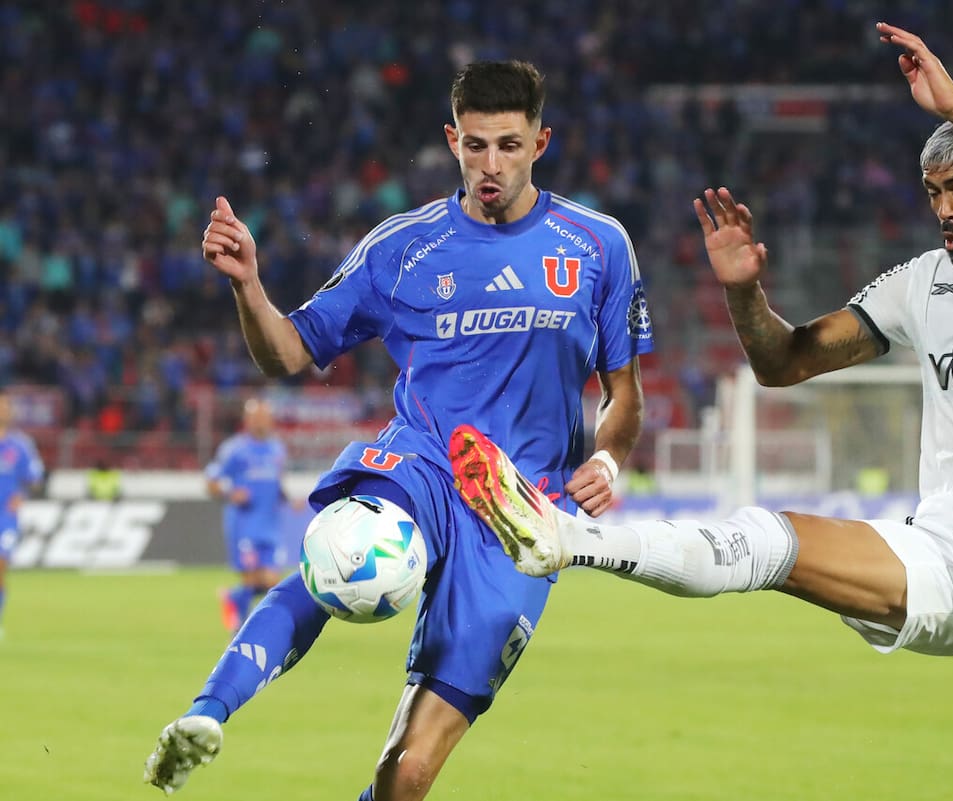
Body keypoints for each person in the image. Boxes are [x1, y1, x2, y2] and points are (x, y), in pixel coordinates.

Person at [450, 24, 953, 801]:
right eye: (933, 193)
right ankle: (569, 539)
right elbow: (783, 362)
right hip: (950, 541)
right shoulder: (919, 284)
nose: (943, 209)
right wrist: (745, 295)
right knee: (768, 542)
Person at [144, 60, 652, 801]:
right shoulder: (401, 248)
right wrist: (249, 286)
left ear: (542, 142)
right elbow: (289, 351)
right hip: (425, 461)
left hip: (524, 512)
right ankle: (207, 712)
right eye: (475, 145)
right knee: (340, 553)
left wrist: (607, 457)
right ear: (452, 139)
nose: (491, 165)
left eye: (509, 145)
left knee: (405, 776)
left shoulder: (599, 245)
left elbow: (623, 391)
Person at [204, 398, 289, 632]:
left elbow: (277, 483)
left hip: (270, 526)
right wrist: (230, 492)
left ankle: (233, 598)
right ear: (247, 420)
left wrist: (288, 498)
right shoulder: (234, 449)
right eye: (256, 417)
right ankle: (240, 632)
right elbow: (211, 482)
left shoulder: (277, 449)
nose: (261, 422)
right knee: (252, 580)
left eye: (265, 417)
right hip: (244, 525)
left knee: (272, 583)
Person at [0, 389, 46, 639]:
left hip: (4, 517)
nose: (3, 410)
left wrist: (23, 495)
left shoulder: (20, 445)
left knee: (0, 566)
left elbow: (36, 479)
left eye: (5, 406)